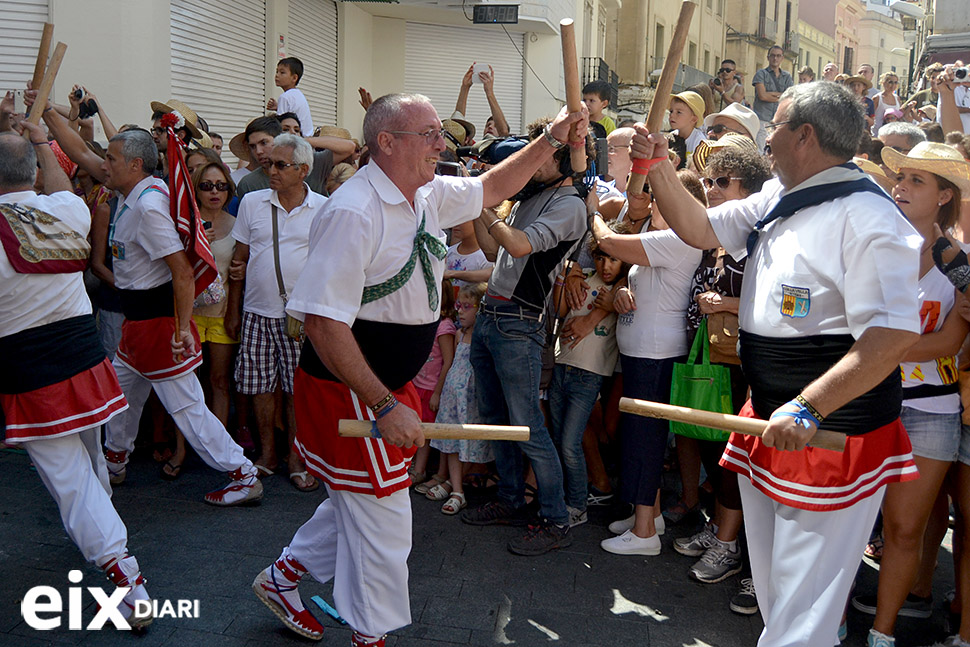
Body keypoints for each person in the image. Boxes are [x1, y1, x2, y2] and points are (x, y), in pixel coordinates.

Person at [250, 93, 588, 645]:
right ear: (387, 142)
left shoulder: (427, 193)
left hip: (383, 385)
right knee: (384, 524)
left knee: (358, 502)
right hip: (350, 388)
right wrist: (383, 406)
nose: (443, 144)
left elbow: (495, 186)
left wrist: (551, 137)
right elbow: (322, 325)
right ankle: (370, 635)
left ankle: (283, 579)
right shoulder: (352, 211)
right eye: (429, 134)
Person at [629, 81, 922, 646]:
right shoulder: (779, 197)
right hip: (770, 415)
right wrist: (659, 164)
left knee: (804, 605)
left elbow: (890, 336)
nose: (766, 140)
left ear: (805, 137)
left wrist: (811, 408)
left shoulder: (869, 218)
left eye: (775, 128)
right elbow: (698, 227)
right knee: (777, 592)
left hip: (832, 430)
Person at [0, 125, 152, 628]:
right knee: (87, 466)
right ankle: (103, 533)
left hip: (33, 372)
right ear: (34, 170)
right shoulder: (68, 209)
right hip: (84, 360)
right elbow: (61, 187)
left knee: (70, 481)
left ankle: (126, 579)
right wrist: (40, 138)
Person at [99, 128, 261, 506]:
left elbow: (183, 271)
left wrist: (179, 329)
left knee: (188, 410)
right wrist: (42, 134)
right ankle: (114, 460)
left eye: (110, 159)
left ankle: (243, 473)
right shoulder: (133, 193)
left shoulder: (148, 206)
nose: (103, 165)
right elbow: (86, 156)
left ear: (134, 164)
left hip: (158, 327)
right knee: (122, 396)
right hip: (138, 326)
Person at [851, 141, 970, 647]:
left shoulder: (961, 263)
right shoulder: (873, 242)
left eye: (917, 181)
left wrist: (879, 349)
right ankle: (829, 618)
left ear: (945, 196)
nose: (900, 186)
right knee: (848, 525)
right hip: (865, 404)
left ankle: (883, 633)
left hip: (932, 412)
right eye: (901, 178)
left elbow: (951, 340)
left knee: (903, 531)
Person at [460, 117, 592, 556]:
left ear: (559, 158)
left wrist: (479, 200)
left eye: (539, 153)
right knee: (498, 420)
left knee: (527, 426)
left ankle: (555, 517)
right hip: (492, 315)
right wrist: (476, 206)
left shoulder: (570, 204)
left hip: (520, 322)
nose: (529, 160)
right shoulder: (531, 195)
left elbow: (517, 246)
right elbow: (495, 251)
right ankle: (511, 499)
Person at [590, 174, 704, 556]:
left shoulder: (679, 240)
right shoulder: (667, 241)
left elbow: (607, 241)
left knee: (645, 440)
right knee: (639, 437)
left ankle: (644, 534)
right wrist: (623, 291)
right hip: (643, 353)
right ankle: (648, 516)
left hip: (655, 355)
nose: (652, 204)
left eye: (660, 198)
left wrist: (593, 210)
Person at [675, 148, 771, 591]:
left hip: (749, 369)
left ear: (750, 194)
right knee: (717, 453)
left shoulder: (760, 242)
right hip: (714, 361)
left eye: (723, 183)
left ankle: (741, 554)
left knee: (742, 460)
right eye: (710, 181)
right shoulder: (712, 239)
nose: (711, 190)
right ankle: (723, 533)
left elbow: (777, 302)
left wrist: (728, 303)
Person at [224, 133, 322, 492]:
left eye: (281, 165)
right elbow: (240, 259)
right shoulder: (251, 203)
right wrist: (233, 310)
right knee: (259, 387)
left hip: (302, 317)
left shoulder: (324, 209)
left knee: (298, 389)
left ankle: (296, 458)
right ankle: (268, 454)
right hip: (256, 311)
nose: (272, 171)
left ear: (304, 170)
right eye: (269, 164)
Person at [548, 222, 627, 528]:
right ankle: (569, 497)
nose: (605, 266)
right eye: (601, 258)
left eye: (613, 260)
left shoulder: (621, 288)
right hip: (562, 365)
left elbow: (616, 299)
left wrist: (592, 317)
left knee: (570, 442)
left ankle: (577, 505)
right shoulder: (584, 279)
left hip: (588, 375)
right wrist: (569, 276)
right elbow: (560, 309)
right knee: (560, 439)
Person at [427, 282, 493, 515]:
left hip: (471, 401)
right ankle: (456, 490)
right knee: (452, 442)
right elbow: (452, 364)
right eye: (458, 306)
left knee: (468, 443)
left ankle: (454, 487)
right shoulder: (458, 334)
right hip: (452, 398)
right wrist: (439, 392)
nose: (461, 311)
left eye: (467, 306)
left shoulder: (484, 338)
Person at [408, 279, 458, 493]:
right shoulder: (425, 321)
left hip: (431, 388)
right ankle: (411, 466)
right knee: (414, 426)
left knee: (425, 432)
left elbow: (448, 361)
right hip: (417, 384)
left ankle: (419, 470)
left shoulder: (444, 326)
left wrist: (437, 392)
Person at [752, 46, 794, 151]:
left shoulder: (787, 77)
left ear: (782, 58)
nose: (775, 58)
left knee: (777, 151)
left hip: (779, 122)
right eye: (773, 55)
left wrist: (769, 94)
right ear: (768, 57)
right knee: (761, 150)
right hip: (762, 120)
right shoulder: (761, 74)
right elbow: (762, 96)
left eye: (778, 56)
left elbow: (789, 98)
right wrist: (781, 95)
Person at [454, 62, 510, 138]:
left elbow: (503, 132)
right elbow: (456, 128)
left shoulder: (502, 147)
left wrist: (489, 92)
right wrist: (465, 87)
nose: (490, 127)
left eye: (496, 126)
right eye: (487, 125)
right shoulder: (475, 147)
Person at [266, 57, 313, 137]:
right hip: (308, 139)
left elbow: (281, 125)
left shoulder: (285, 97)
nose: (277, 75)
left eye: (282, 72)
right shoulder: (298, 94)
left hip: (296, 140)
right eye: (277, 72)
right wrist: (279, 107)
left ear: (294, 78)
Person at [668, 91, 706, 161]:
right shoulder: (671, 136)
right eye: (671, 111)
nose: (672, 115)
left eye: (679, 112)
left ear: (694, 119)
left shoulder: (699, 141)